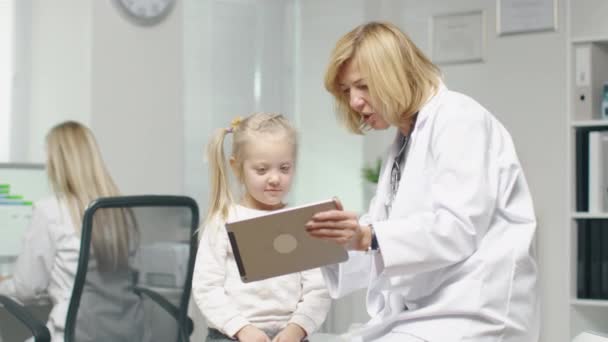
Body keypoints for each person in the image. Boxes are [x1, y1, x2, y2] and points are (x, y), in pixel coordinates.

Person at [305, 22, 539, 342]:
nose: (355, 102)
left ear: (394, 74)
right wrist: (332, 245)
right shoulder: (404, 142)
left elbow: (458, 229)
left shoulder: (459, 117)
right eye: (346, 92)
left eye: (362, 86)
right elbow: (382, 238)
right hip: (425, 314)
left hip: (474, 313)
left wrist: (366, 237)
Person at [192, 113, 331, 342]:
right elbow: (206, 287)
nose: (275, 178)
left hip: (290, 336)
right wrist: (242, 329)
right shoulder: (224, 220)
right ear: (237, 168)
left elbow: (318, 289)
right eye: (262, 170)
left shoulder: (300, 222)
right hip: (233, 336)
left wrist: (297, 329)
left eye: (284, 168)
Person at [0, 120, 139, 342]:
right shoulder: (120, 212)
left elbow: (26, 288)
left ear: (58, 162)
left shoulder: (51, 210)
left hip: (75, 334)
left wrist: (4, 283)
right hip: (129, 332)